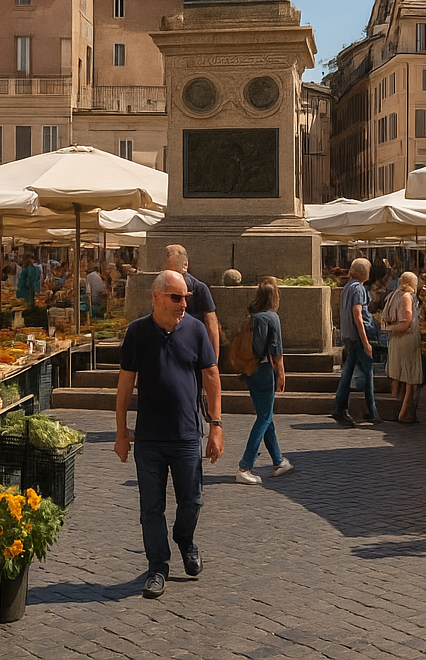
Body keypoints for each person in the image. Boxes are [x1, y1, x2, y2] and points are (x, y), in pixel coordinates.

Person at [114, 270, 224, 599]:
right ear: (157, 297)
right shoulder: (137, 332)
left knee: (192, 501)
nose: (183, 304)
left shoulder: (196, 330)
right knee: (151, 508)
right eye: (176, 297)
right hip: (149, 438)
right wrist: (121, 432)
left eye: (186, 298)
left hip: (188, 434)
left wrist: (215, 426)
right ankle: (157, 566)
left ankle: (185, 539)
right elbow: (124, 387)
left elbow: (212, 377)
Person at [234, 277, 294, 484]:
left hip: (250, 370)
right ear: (275, 296)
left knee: (265, 416)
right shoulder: (272, 317)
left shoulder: (253, 317)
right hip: (264, 369)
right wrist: (281, 373)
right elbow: (276, 350)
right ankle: (245, 466)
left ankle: (279, 461)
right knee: (264, 418)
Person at [331, 257, 379, 427]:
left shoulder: (346, 288)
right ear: (364, 272)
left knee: (348, 372)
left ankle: (340, 407)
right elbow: (357, 314)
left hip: (349, 336)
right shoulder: (358, 289)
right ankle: (372, 411)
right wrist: (366, 342)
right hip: (358, 337)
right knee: (368, 372)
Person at [384, 271, 424, 423]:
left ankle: (399, 410)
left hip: (396, 339)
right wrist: (397, 328)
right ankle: (404, 413)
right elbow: (407, 318)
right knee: (410, 377)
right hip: (406, 338)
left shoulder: (394, 294)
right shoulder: (407, 296)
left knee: (399, 375)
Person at [164, 245, 219, 355]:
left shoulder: (199, 288)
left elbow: (211, 323)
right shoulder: (159, 288)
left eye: (169, 257)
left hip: (191, 347)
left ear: (185, 265)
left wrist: (213, 359)